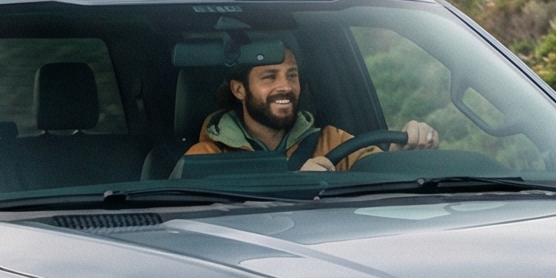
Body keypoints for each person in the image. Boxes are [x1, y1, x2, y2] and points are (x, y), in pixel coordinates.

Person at [182, 43, 437, 172]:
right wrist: (300, 188)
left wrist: (399, 155)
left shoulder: (333, 141)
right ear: (239, 90)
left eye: (291, 75)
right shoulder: (205, 157)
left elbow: (380, 177)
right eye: (269, 77)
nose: (285, 87)